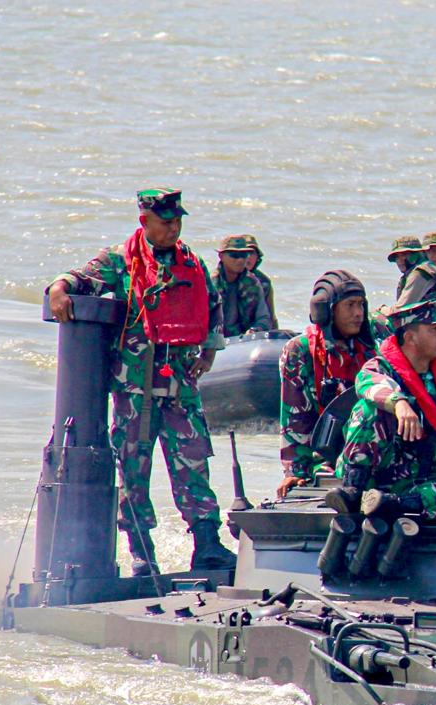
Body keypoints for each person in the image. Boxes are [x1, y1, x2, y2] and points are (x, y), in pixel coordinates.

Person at [45, 187, 237, 576]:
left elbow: (212, 307)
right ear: (144, 221)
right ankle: (141, 551)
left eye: (178, 221)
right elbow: (80, 278)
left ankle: (207, 544)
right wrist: (58, 288)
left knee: (193, 464)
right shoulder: (121, 261)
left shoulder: (192, 263)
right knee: (133, 471)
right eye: (166, 222)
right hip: (136, 389)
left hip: (181, 386)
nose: (174, 228)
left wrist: (210, 352)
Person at [328, 299, 436, 521]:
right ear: (410, 337)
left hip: (414, 481)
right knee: (369, 408)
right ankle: (353, 493)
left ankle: (392, 504)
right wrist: (399, 403)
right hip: (372, 475)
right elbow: (368, 383)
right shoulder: (381, 367)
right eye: (433, 329)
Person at [277, 270, 377, 498]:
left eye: (361, 305)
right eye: (350, 305)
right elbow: (295, 417)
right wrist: (295, 472)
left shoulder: (369, 350)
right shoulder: (301, 351)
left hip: (363, 449)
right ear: (328, 311)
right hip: (322, 454)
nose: (358, 313)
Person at [384, 234, 436, 359]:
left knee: (377, 320)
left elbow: (398, 311)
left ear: (418, 254)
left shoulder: (421, 274)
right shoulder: (432, 269)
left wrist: (381, 310)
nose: (400, 260)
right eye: (397, 257)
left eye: (405, 254)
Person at [213, 234, 272, 337]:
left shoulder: (253, 283)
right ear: (221, 256)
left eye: (244, 255)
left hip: (245, 341)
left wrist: (256, 329)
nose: (240, 260)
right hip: (217, 340)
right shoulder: (210, 284)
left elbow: (264, 317)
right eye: (234, 255)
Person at [242, 236, 276, 327]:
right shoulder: (223, 278)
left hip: (256, 331)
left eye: (252, 253)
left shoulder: (264, 282)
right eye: (245, 253)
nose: (248, 257)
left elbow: (271, 317)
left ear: (257, 257)